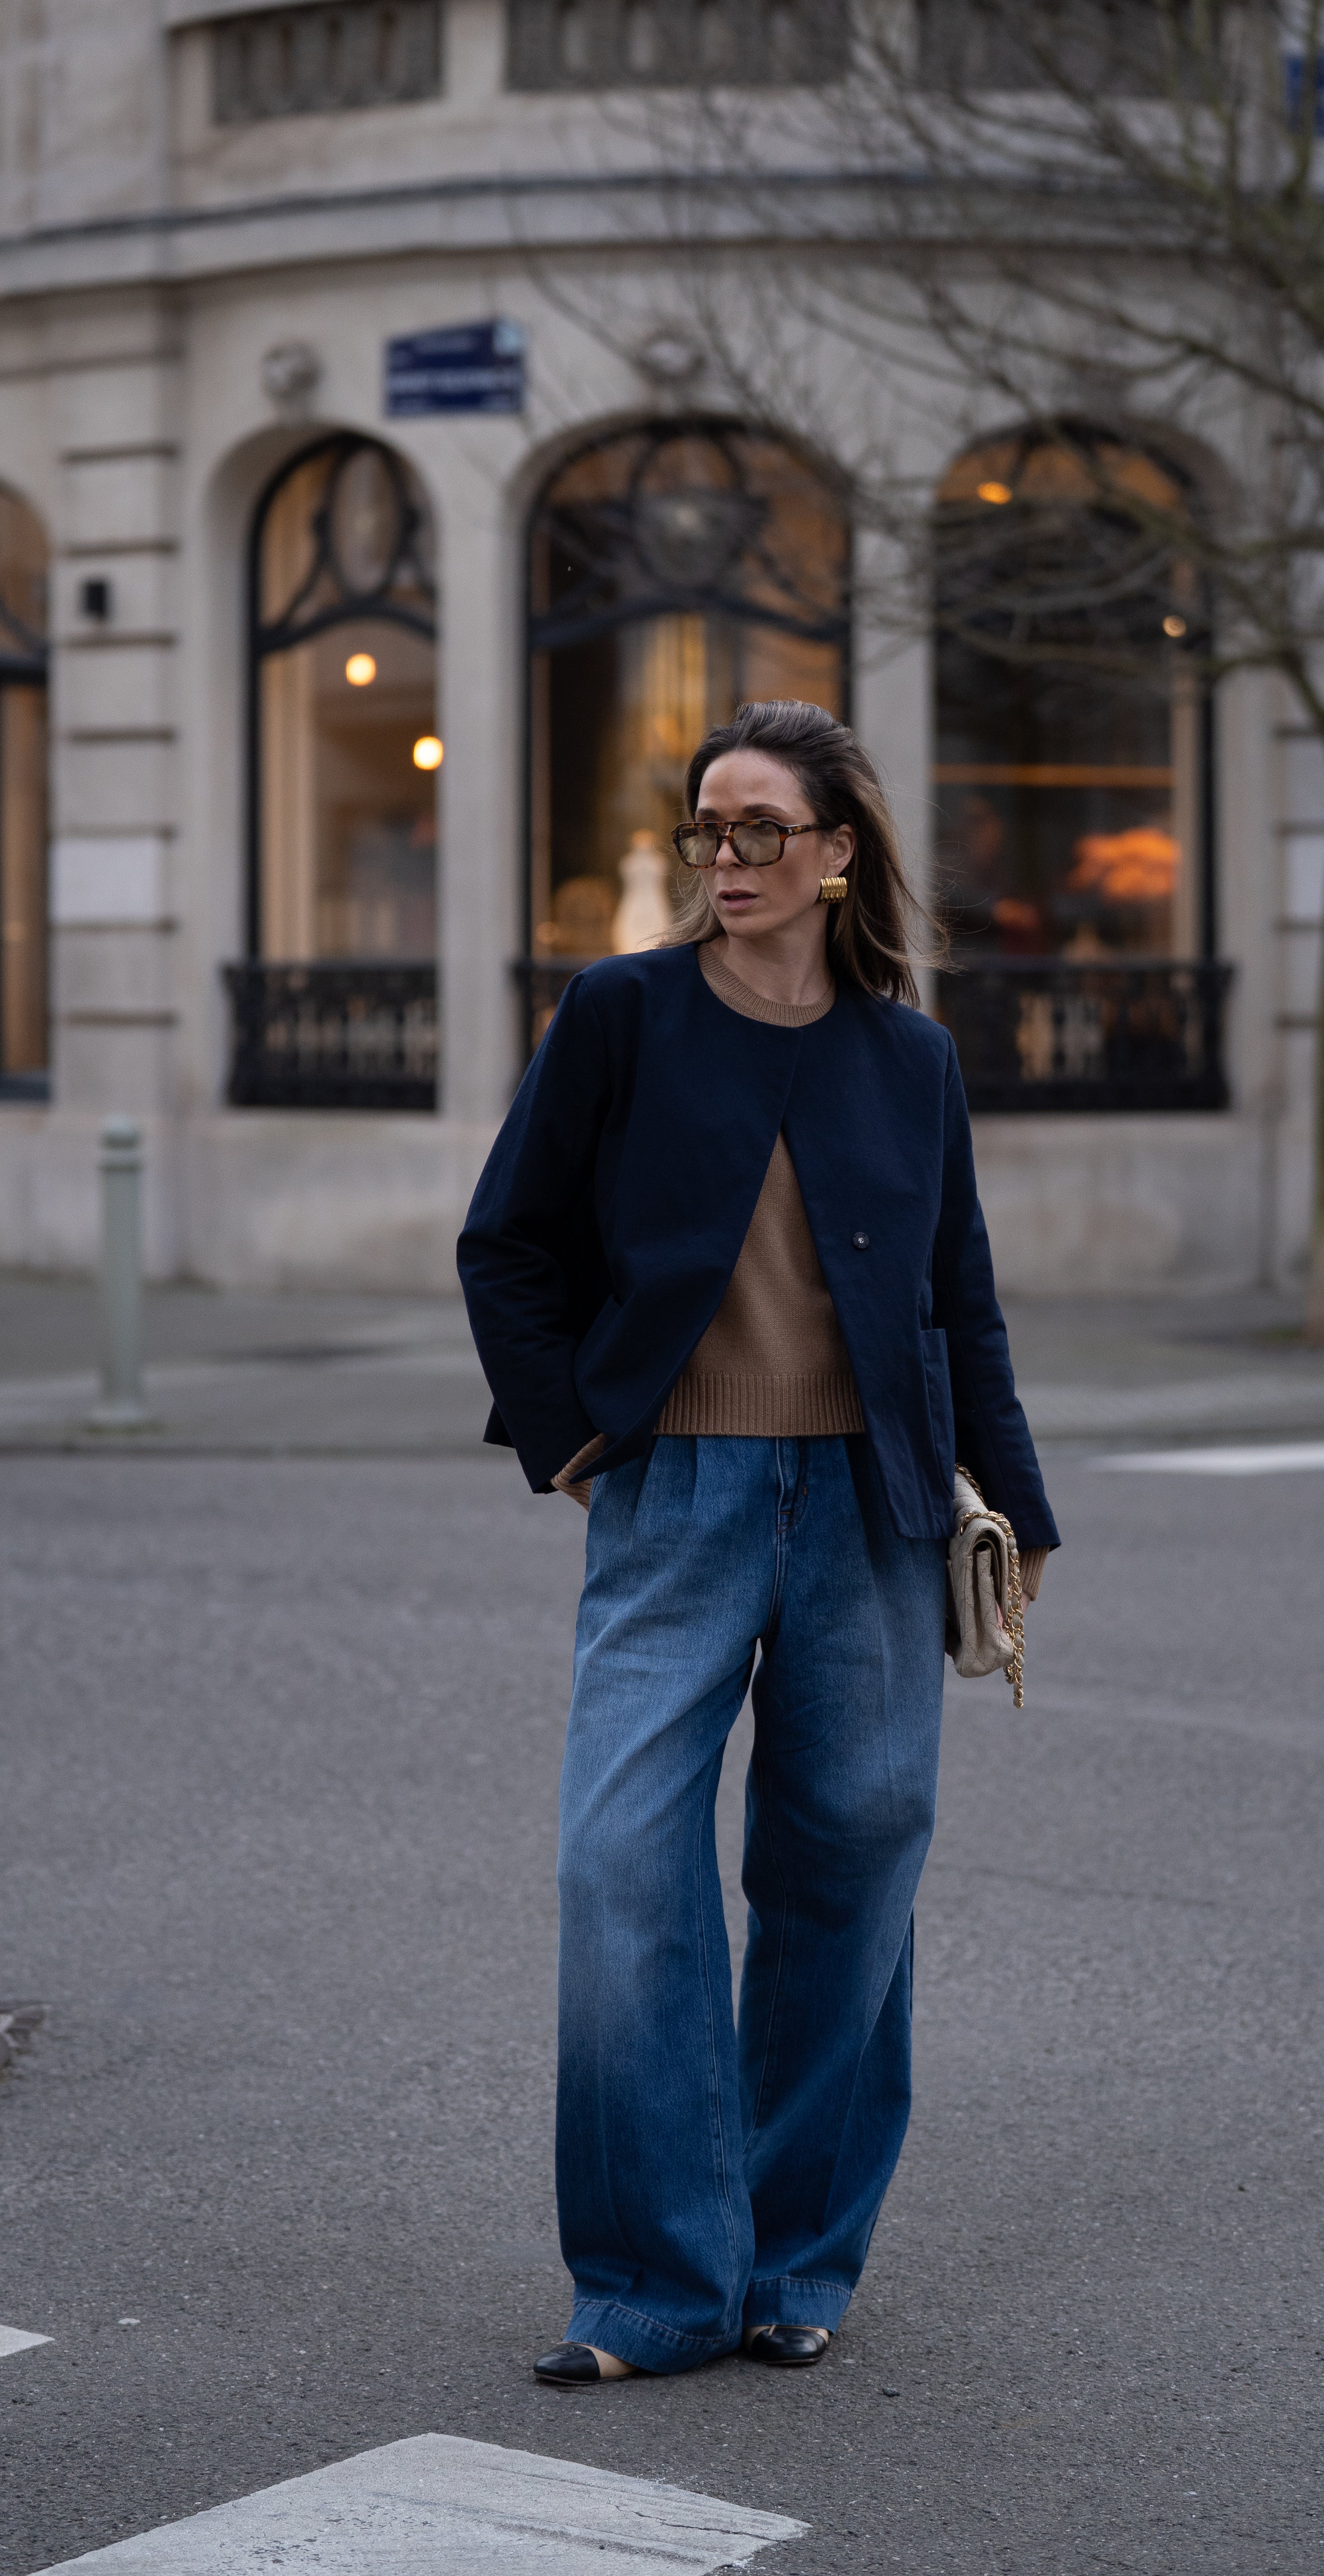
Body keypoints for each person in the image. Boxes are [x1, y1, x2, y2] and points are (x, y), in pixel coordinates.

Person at [457, 698, 1059, 2387]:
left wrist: (1016, 1505)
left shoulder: (907, 1052)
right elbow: (504, 1243)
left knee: (847, 1869)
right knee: (619, 1862)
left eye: (759, 834)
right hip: (682, 1493)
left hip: (873, 1503)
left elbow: (960, 1299)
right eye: (705, 833)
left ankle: (795, 2257)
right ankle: (653, 2279)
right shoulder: (621, 1015)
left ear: (838, 855)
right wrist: (574, 1436)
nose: (725, 862)